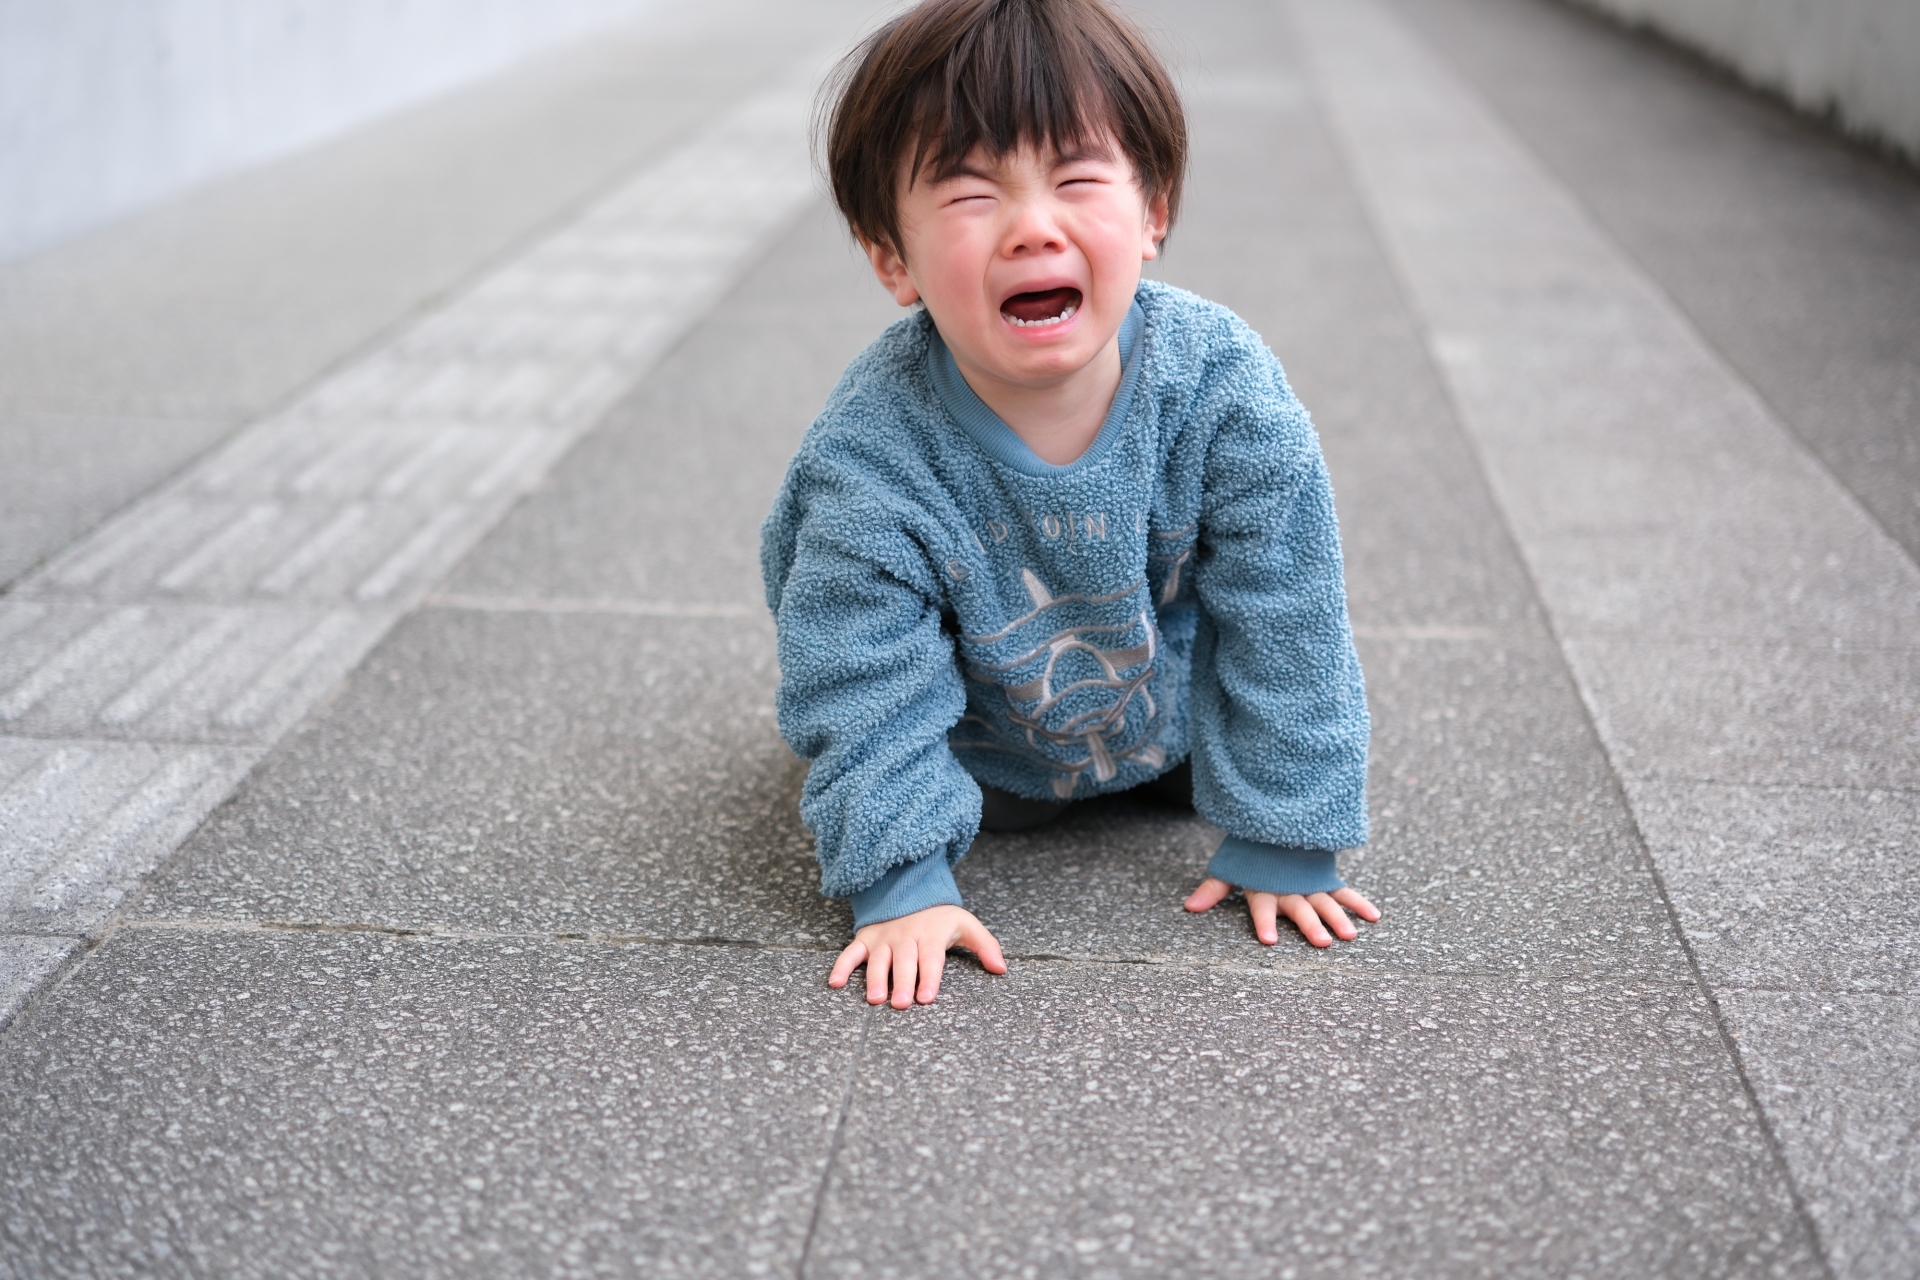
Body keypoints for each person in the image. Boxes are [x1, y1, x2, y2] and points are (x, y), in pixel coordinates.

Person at [761, 0, 1376, 1009]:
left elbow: (1288, 609)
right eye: (969, 193)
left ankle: (1196, 773)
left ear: (1153, 212)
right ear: (890, 258)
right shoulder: (872, 456)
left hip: (1168, 715)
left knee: (1225, 727)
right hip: (989, 751)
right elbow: (856, 670)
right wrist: (901, 881)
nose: (1032, 226)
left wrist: (1285, 826)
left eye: (1078, 179)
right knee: (965, 785)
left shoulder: (1221, 389)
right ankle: (969, 807)